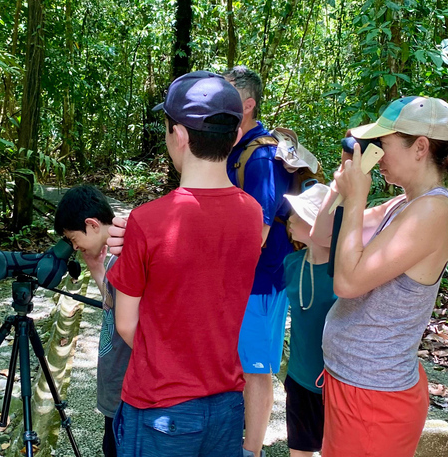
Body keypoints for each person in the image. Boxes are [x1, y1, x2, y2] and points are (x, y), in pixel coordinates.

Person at [106, 71, 263, 457]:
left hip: (161, 404)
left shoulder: (147, 220)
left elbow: (126, 324)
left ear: (179, 136)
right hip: (226, 403)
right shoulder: (252, 213)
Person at [311, 96, 448, 457]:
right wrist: (342, 186)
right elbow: (321, 235)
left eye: (382, 145)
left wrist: (357, 200)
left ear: (420, 147)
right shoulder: (403, 204)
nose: (377, 155)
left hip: (375, 398)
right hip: (353, 384)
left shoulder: (436, 211)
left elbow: (347, 283)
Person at [224, 65, 293, 457]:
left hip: (261, 280)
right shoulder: (237, 147)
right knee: (241, 363)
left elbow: (260, 230)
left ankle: (251, 451)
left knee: (255, 368)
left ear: (247, 104)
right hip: (244, 279)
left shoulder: (262, 155)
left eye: (228, 93)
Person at [54, 185, 130, 457]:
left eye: (74, 238)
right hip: (116, 388)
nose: (74, 247)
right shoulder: (112, 259)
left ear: (92, 224)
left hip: (127, 391)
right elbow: (112, 304)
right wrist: (96, 268)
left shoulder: (126, 258)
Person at [281, 183, 336, 457]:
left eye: (299, 216)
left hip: (335, 384)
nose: (290, 220)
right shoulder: (292, 263)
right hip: (299, 378)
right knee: (299, 449)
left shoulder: (344, 274)